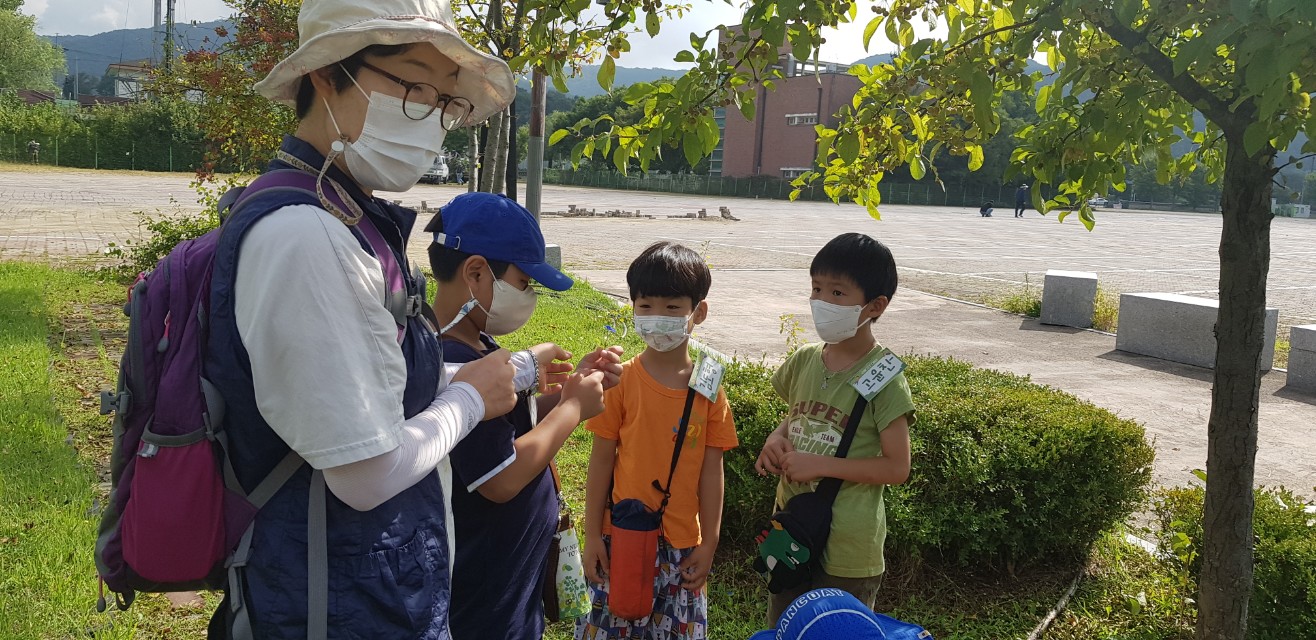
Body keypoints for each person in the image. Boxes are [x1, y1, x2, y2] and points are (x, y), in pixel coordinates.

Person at [200, 0, 562, 636]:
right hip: (328, 604)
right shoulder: (307, 236)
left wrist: (507, 376)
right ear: (326, 73)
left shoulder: (343, 214)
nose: (431, 117)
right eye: (413, 85)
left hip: (366, 590)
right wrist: (471, 399)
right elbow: (363, 475)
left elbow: (376, 387)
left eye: (445, 100)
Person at [428, 192, 620, 639]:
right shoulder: (455, 365)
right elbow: (500, 479)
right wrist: (572, 408)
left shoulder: (478, 345)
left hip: (509, 585)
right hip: (483, 600)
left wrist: (569, 392)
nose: (529, 296)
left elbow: (508, 427)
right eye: (523, 282)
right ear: (476, 272)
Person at [578, 241, 739, 640]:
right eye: (645, 306)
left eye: (672, 308)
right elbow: (601, 461)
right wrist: (593, 535)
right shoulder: (621, 381)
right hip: (622, 537)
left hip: (683, 546)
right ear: (632, 306)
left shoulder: (708, 388)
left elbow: (712, 469)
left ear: (698, 312)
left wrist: (710, 541)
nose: (656, 318)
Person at [754, 232, 916, 626]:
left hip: (847, 551)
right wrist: (776, 439)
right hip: (791, 534)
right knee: (787, 629)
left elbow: (897, 467)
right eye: (816, 288)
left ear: (875, 305)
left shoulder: (885, 376)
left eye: (838, 292)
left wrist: (820, 465)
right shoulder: (804, 360)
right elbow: (797, 416)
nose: (822, 301)